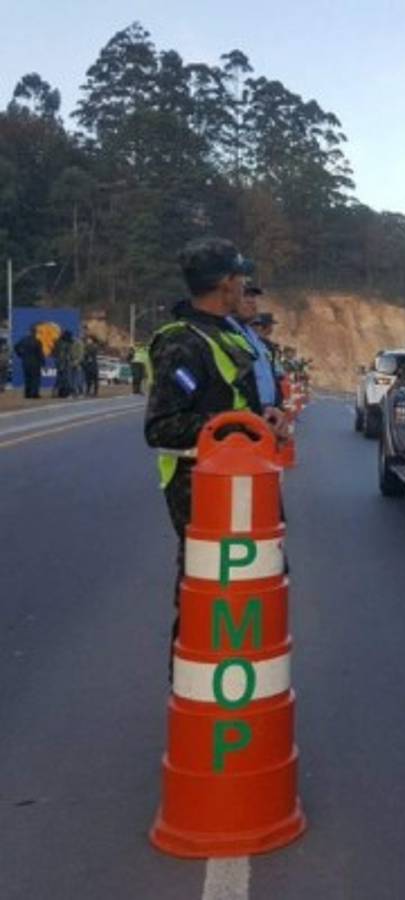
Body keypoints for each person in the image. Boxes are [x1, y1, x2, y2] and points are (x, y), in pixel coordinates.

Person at [144, 237, 290, 676]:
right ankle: (193, 689)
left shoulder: (227, 335)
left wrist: (262, 420)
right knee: (205, 592)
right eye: (240, 278)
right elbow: (162, 426)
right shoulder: (182, 344)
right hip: (203, 494)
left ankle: (240, 682)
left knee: (255, 586)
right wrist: (238, 427)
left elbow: (233, 406)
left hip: (242, 488)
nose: (245, 286)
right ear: (226, 284)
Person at [14, 326, 44, 398]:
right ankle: (34, 393)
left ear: (29, 332)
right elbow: (40, 354)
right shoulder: (37, 341)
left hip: (25, 362)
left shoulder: (24, 340)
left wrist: (20, 355)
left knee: (27, 378)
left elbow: (16, 347)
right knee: (35, 378)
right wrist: (42, 362)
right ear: (35, 333)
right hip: (35, 363)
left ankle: (27, 394)